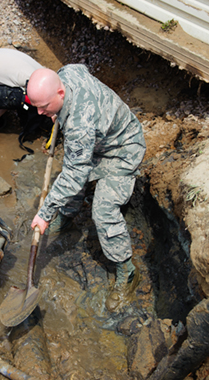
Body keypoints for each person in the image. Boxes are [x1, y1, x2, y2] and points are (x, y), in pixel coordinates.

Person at [27, 66, 146, 312]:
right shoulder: (67, 73)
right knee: (72, 169)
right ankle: (68, 216)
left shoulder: (79, 126)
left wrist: (44, 212)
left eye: (44, 107)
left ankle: (127, 271)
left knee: (102, 210)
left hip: (123, 149)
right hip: (99, 141)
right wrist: (55, 113)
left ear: (61, 92)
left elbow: (75, 173)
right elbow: (79, 67)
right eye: (36, 106)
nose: (39, 112)